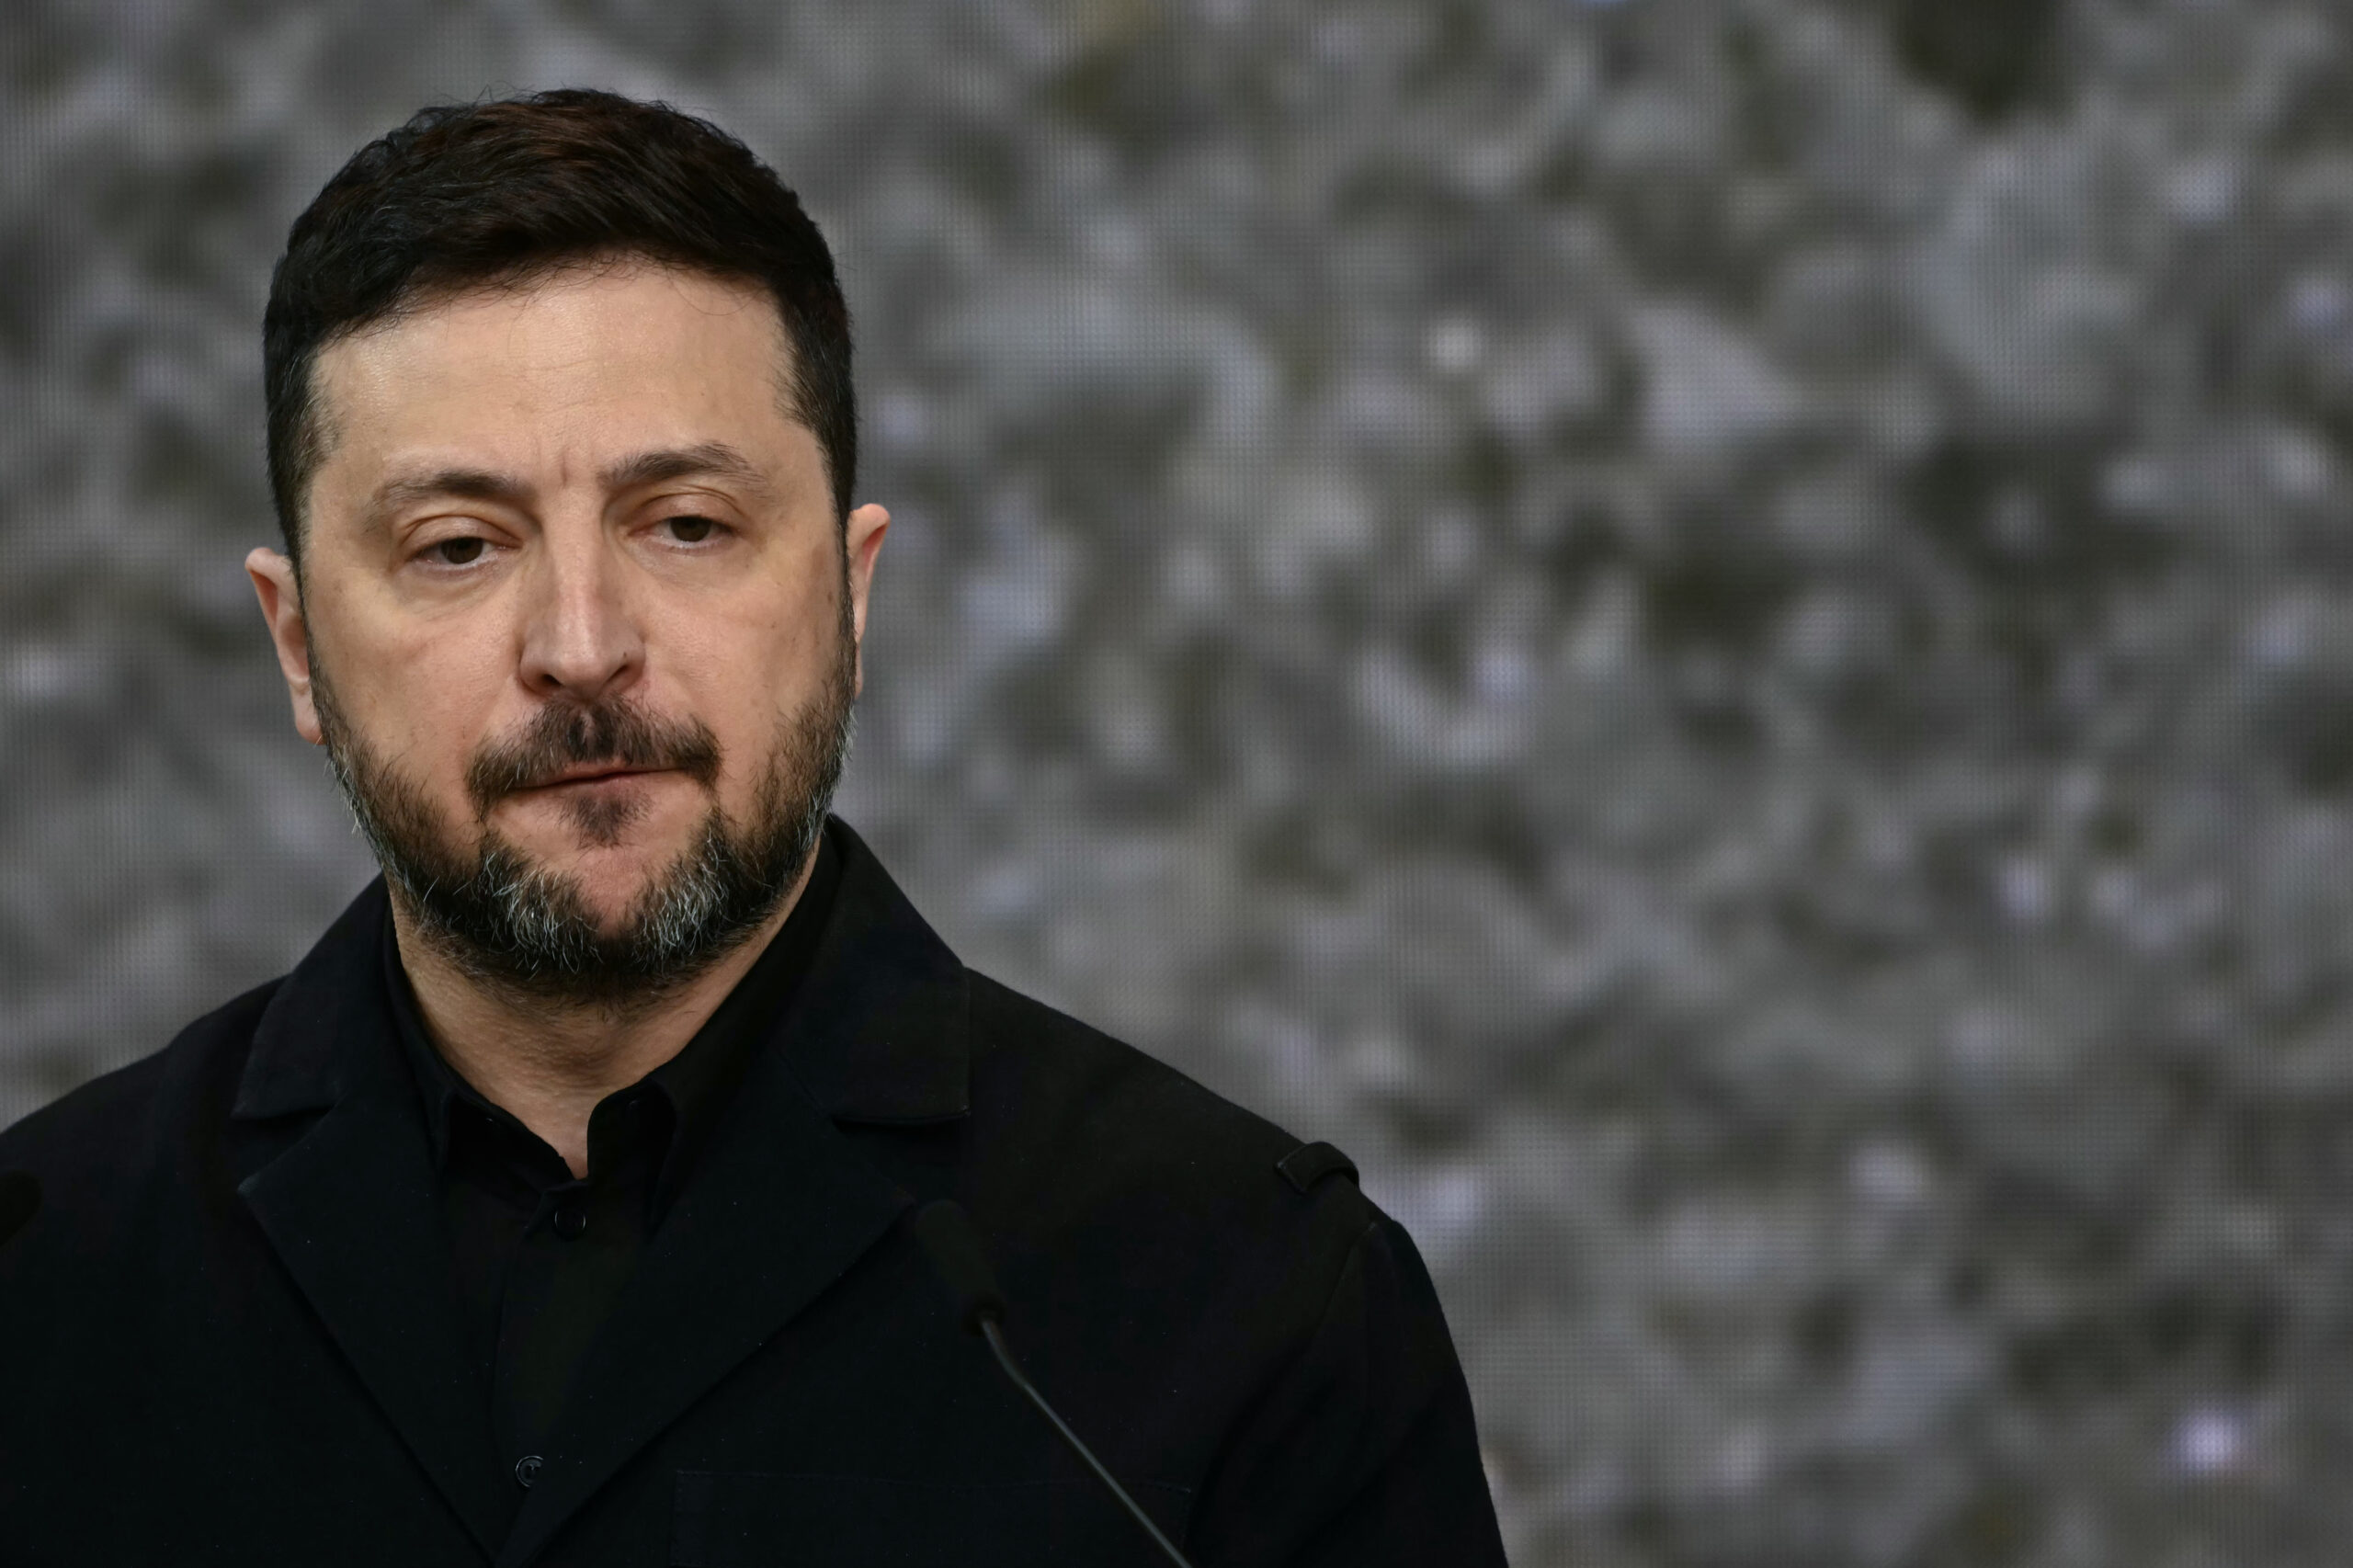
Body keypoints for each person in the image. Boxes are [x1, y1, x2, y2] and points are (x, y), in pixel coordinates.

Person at [0, 91, 1506, 1567]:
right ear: (297, 645)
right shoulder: (42, 1276)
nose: (582, 646)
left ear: (850, 597)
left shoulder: (1251, 1304)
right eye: (457, 546)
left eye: (688, 524)